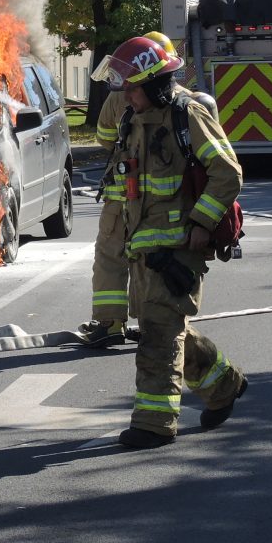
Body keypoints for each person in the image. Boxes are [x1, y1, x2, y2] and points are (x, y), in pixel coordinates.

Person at [93, 34, 247, 448]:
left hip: (181, 246)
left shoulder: (188, 114)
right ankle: (223, 385)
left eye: (132, 87)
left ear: (155, 83)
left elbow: (227, 173)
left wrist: (202, 221)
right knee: (167, 325)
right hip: (144, 247)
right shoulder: (133, 118)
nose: (126, 95)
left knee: (159, 335)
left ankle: (154, 423)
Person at [80, 31, 179, 347]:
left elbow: (104, 138)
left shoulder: (116, 96)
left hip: (121, 194)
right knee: (148, 261)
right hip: (161, 203)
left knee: (111, 256)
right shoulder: (179, 102)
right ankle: (151, 322)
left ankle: (110, 323)